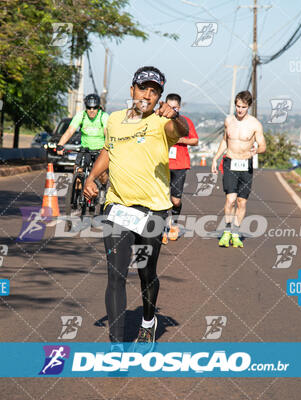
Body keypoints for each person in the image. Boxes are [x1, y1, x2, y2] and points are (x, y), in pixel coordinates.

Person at [83, 66, 189, 352]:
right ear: (132, 90)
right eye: (143, 88)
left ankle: (148, 320)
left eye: (154, 91)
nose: (147, 95)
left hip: (153, 210)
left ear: (159, 97)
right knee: (115, 274)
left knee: (145, 272)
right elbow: (108, 150)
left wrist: (175, 116)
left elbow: (181, 131)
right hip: (117, 206)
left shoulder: (160, 122)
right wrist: (91, 178)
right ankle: (117, 344)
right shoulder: (115, 120)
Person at [211, 90, 266, 248]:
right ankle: (227, 230)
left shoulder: (255, 124)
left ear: (248, 106)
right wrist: (215, 158)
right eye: (237, 106)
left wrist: (257, 150)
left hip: (245, 164)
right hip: (230, 162)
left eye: (243, 107)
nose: (239, 110)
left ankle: (235, 233)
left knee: (241, 202)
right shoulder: (229, 120)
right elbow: (225, 141)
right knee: (230, 199)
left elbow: (263, 145)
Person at [57, 94, 109, 206]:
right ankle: (76, 195)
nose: (91, 110)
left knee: (102, 175)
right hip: (85, 149)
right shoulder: (81, 116)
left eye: (94, 108)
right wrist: (60, 144)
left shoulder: (103, 116)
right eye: (89, 108)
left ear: (98, 107)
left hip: (100, 150)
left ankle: (103, 189)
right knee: (78, 171)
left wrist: (107, 148)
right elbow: (70, 131)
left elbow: (107, 134)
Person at [162, 93, 199, 244]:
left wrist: (181, 139)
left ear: (179, 107)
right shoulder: (159, 121)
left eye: (175, 107)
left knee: (175, 201)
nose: (172, 110)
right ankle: (162, 229)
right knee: (161, 199)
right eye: (169, 107)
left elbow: (195, 140)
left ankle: (174, 224)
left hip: (180, 164)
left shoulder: (185, 121)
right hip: (162, 164)